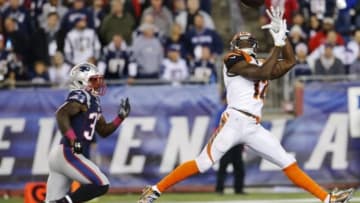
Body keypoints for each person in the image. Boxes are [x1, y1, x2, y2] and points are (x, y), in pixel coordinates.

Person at [137, 7, 354, 203]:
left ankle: (327, 199)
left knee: (287, 161)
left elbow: (289, 62)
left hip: (253, 126)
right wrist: (278, 45)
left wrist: (283, 36)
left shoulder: (260, 62)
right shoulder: (232, 59)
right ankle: (154, 190)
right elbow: (260, 73)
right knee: (203, 163)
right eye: (241, 42)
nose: (243, 44)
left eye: (246, 42)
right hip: (234, 120)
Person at [45, 62, 131, 203]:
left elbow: (103, 130)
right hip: (68, 153)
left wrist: (120, 118)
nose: (98, 83)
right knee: (101, 184)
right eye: (93, 80)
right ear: (81, 81)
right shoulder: (81, 95)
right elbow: (61, 114)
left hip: (62, 154)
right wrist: (73, 139)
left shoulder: (92, 100)